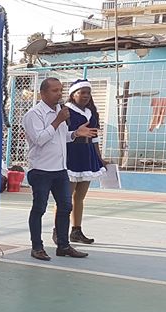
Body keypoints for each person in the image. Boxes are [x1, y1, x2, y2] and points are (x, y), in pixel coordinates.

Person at [22, 77, 97, 260]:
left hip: (60, 169)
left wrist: (75, 133)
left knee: (65, 207)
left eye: (60, 90)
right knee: (39, 208)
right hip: (41, 169)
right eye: (54, 90)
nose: (59, 94)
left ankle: (63, 245)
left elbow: (61, 138)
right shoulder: (34, 114)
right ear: (43, 93)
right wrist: (57, 121)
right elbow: (39, 139)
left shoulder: (60, 111)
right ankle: (37, 247)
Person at [63, 79, 105, 244]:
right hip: (72, 154)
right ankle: (59, 231)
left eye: (88, 92)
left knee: (79, 197)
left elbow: (94, 138)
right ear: (73, 94)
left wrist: (100, 158)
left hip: (87, 155)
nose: (86, 95)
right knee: (65, 198)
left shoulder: (91, 112)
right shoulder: (66, 111)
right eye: (82, 92)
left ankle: (76, 231)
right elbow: (61, 135)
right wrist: (77, 133)